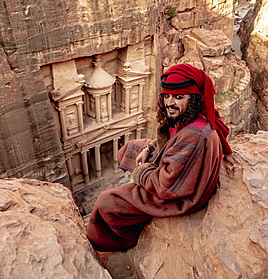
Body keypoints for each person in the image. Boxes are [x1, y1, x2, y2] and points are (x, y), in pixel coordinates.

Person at [86, 63, 232, 252]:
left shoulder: (192, 135)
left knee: (106, 201)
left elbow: (166, 187)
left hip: (179, 196)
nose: (170, 102)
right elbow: (170, 139)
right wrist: (148, 149)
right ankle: (137, 187)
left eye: (178, 97)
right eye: (167, 96)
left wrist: (141, 173)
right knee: (131, 148)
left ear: (193, 99)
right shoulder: (190, 117)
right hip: (178, 174)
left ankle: (124, 240)